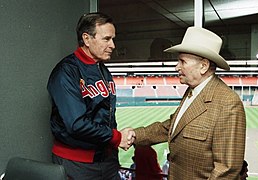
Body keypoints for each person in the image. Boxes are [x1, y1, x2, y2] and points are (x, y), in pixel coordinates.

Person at [124, 26, 246, 179]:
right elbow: (171, 127)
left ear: (203, 66)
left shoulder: (228, 103)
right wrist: (135, 134)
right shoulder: (192, 91)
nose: (177, 67)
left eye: (182, 61)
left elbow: (226, 170)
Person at [47, 12, 131, 180]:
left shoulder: (102, 69)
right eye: (106, 39)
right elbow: (76, 124)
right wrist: (116, 137)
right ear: (86, 39)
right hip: (77, 163)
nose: (113, 45)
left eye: (113, 39)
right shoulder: (66, 71)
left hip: (106, 160)